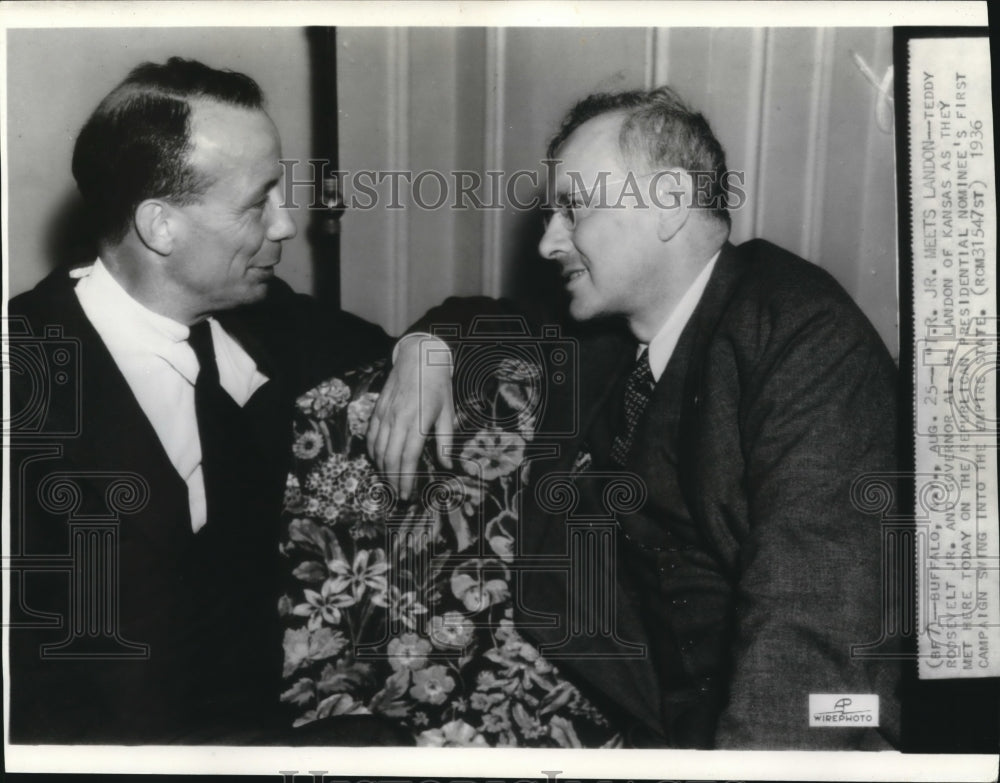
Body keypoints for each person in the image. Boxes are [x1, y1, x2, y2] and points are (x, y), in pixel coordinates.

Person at [416, 87, 901, 749]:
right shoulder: (614, 340)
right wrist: (427, 348)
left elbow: (812, 630)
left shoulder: (802, 336)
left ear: (670, 201)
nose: (548, 242)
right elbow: (495, 320)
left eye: (574, 209)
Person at [7, 57, 451, 744]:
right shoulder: (23, 380)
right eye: (259, 200)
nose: (285, 224)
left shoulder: (260, 318)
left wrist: (428, 349)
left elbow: (492, 321)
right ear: (161, 226)